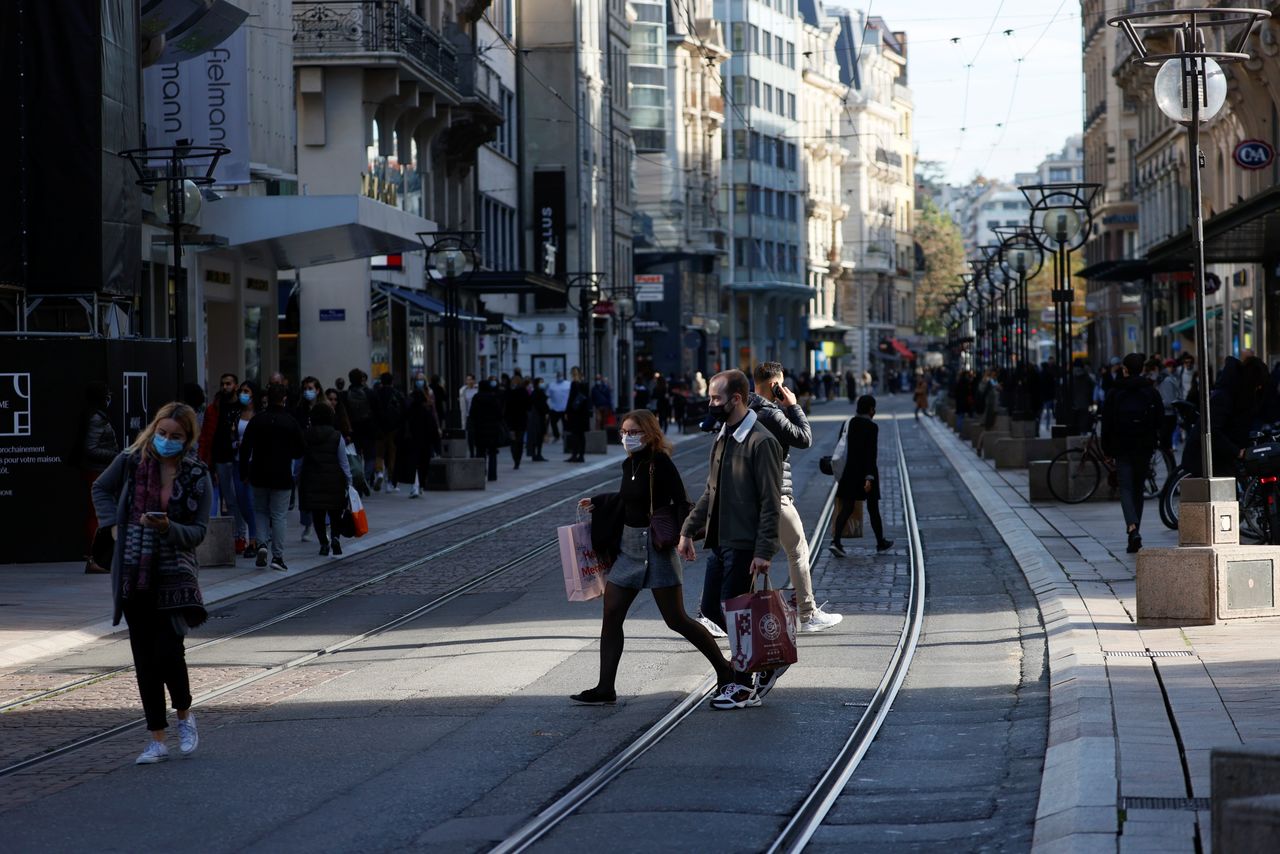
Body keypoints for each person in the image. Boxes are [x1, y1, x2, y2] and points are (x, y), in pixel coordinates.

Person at [570, 410, 736, 705]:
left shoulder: (660, 463)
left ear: (648, 434)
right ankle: (605, 687)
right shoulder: (628, 463)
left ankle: (724, 671)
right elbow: (627, 499)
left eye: (632, 432)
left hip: (657, 547)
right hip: (630, 549)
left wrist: (686, 537)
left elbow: (683, 502)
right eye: (623, 432)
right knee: (611, 615)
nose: (626, 437)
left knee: (677, 619)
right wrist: (598, 501)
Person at [91, 402, 210, 765]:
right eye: (162, 433)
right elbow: (101, 488)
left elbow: (199, 532)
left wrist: (167, 528)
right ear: (153, 430)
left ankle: (185, 716)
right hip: (132, 570)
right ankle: (156, 738)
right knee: (144, 657)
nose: (166, 441)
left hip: (175, 574)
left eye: (175, 436)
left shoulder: (196, 475)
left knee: (169, 653)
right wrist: (113, 525)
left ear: (187, 439)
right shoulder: (131, 461)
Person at [678, 369, 783, 710]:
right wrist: (687, 531)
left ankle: (743, 686)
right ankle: (765, 660)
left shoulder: (761, 441)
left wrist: (764, 550)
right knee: (711, 608)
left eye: (715, 398)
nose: (710, 404)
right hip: (721, 541)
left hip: (744, 542)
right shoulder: (723, 435)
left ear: (735, 399)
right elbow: (710, 492)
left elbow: (771, 500)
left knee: (735, 613)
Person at [749, 362, 842, 633]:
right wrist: (792, 405)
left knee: (754, 555)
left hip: (749, 495)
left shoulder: (745, 410)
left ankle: (748, 615)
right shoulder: (770, 413)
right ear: (775, 385)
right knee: (798, 549)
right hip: (775, 494)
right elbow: (804, 438)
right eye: (781, 384)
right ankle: (807, 612)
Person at [239, 383, 305, 572]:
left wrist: (244, 472)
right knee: (279, 515)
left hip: (258, 472)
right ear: (284, 399)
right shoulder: (290, 421)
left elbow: (245, 449)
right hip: (282, 474)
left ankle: (261, 544)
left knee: (260, 510)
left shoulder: (258, 420)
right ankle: (277, 556)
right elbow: (301, 449)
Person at [1102, 354, 1164, 553]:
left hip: (1122, 446)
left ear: (1125, 369)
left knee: (1126, 488)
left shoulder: (1115, 392)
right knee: (1138, 488)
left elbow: (1107, 423)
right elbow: (1160, 418)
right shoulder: (1150, 391)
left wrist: (1107, 449)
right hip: (1143, 446)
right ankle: (1136, 530)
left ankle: (1132, 528)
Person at [829, 395, 893, 556]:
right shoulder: (871, 427)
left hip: (849, 473)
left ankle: (836, 541)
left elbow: (841, 447)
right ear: (871, 409)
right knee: (873, 509)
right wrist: (869, 477)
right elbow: (871, 454)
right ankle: (880, 542)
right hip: (866, 474)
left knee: (847, 508)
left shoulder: (848, 423)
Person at [298, 402, 352, 557]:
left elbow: (300, 461)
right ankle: (335, 537)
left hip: (312, 480)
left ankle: (323, 542)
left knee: (318, 515)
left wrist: (296, 477)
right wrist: (349, 481)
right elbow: (343, 462)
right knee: (335, 513)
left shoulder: (306, 434)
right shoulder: (337, 436)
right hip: (334, 481)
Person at [77, 381, 120, 574]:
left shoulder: (98, 416)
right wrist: (116, 455)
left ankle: (98, 557)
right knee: (99, 514)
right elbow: (91, 448)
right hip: (98, 470)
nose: (110, 398)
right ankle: (95, 558)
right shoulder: (96, 418)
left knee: (101, 514)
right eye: (107, 394)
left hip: (100, 469)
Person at [396, 373, 441, 496]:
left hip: (412, 440)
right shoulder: (426, 413)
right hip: (425, 441)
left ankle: (415, 485)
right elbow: (433, 426)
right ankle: (420, 485)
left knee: (414, 463)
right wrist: (437, 441)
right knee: (423, 463)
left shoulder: (409, 412)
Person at [230, 382, 261, 558]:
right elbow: (230, 438)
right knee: (241, 501)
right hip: (237, 461)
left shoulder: (259, 416)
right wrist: (236, 444)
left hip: (253, 463)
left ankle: (254, 540)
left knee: (250, 501)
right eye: (241, 391)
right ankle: (254, 535)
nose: (242, 394)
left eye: (246, 391)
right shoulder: (236, 415)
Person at [342, 369, 378, 488]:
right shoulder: (370, 393)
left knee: (355, 457)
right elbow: (377, 411)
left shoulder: (346, 394)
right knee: (371, 457)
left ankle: (358, 479)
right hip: (368, 429)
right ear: (362, 379)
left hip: (353, 430)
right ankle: (365, 478)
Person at [374, 372, 407, 493]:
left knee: (379, 453)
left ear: (381, 382)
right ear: (392, 382)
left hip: (380, 429)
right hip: (394, 429)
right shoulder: (397, 394)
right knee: (392, 454)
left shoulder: (377, 394)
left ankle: (379, 472)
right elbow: (404, 411)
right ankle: (391, 481)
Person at [467, 378, 505, 481]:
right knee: (492, 453)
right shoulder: (493, 398)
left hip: (479, 429)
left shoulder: (476, 397)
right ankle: (492, 475)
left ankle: (481, 472)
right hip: (492, 429)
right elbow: (499, 414)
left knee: (480, 452)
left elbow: (472, 414)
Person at [504, 375, 531, 470]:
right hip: (519, 420)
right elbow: (529, 406)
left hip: (514, 420)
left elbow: (506, 407)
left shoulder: (510, 392)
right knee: (518, 441)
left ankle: (516, 459)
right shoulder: (522, 392)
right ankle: (517, 460)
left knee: (515, 442)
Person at [565, 368, 592, 462]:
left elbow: (571, 399)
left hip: (575, 413)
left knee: (575, 435)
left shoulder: (574, 384)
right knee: (581, 435)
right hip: (583, 414)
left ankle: (574, 454)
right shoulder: (585, 384)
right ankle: (581, 455)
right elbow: (587, 399)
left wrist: (567, 412)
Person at [527, 377, 549, 462]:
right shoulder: (537, 392)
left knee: (538, 436)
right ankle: (537, 454)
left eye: (543, 382)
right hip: (538, 417)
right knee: (538, 436)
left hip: (538, 416)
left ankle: (536, 454)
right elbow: (541, 405)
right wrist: (546, 412)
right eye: (541, 382)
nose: (542, 383)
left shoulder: (537, 392)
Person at [547, 372, 571, 442]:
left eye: (561, 376)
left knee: (566, 424)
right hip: (554, 408)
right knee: (553, 422)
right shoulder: (552, 385)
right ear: (556, 377)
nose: (560, 377)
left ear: (563, 376)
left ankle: (565, 436)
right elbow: (548, 395)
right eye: (558, 376)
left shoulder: (568, 384)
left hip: (565, 408)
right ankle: (556, 435)